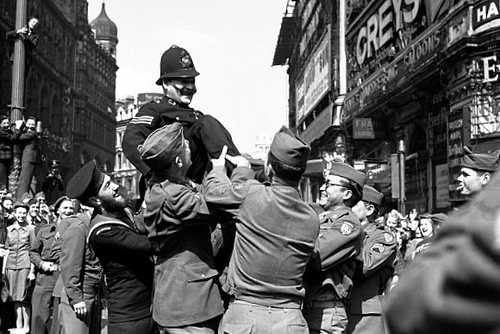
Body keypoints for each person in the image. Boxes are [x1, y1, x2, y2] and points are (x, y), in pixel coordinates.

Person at [203, 127, 320, 334]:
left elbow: (214, 193)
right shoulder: (312, 218)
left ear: (269, 168)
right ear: (301, 173)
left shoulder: (252, 195)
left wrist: (223, 168)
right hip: (290, 320)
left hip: (246, 316)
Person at [384, 165, 500, 334]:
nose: (459, 179)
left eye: (465, 174)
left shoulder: (482, 216)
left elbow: (405, 307)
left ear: (485, 179)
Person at [139, 123, 223, 333]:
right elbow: (217, 203)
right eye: (186, 145)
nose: (190, 148)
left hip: (177, 298)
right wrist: (218, 173)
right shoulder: (173, 194)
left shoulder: (166, 187)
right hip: (188, 306)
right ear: (177, 160)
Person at [122, 45, 240, 186]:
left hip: (194, 190)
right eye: (184, 81)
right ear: (166, 83)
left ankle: (240, 177)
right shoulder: (154, 110)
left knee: (208, 122)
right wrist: (155, 176)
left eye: (192, 81)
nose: (190, 88)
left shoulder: (199, 119)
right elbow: (130, 141)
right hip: (165, 192)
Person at [67, 161, 153, 334]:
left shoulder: (121, 211)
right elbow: (149, 245)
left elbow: (143, 222)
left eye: (111, 180)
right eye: (107, 185)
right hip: (129, 318)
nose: (115, 186)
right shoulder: (102, 231)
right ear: (95, 200)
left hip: (149, 307)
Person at [302, 162, 366, 334]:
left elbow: (317, 256)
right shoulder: (320, 217)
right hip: (308, 304)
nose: (323, 188)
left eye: (329, 184)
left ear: (346, 193)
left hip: (325, 309)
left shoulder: (348, 223)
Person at [348, 185, 396, 334]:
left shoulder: (383, 237)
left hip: (364, 316)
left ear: (369, 209)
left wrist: (342, 244)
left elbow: (365, 266)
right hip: (336, 310)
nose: (347, 207)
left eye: (354, 203)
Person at [56, 194, 101, 334]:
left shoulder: (92, 226)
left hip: (92, 292)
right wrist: (76, 298)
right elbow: (70, 265)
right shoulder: (78, 228)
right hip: (81, 293)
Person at [29, 196, 74, 334]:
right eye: (65, 208)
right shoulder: (45, 230)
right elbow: (33, 252)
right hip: (46, 277)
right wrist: (41, 264)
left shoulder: (77, 230)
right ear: (58, 211)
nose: (68, 211)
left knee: (60, 320)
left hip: (65, 277)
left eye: (71, 208)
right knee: (39, 316)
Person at [2, 201, 36, 333]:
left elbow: (33, 251)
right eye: (19, 213)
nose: (21, 215)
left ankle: (26, 326)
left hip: (24, 265)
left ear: (26, 214)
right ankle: (18, 325)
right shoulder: (9, 229)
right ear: (15, 214)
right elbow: (7, 250)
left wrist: (32, 271)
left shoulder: (31, 229)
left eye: (24, 213)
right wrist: (3, 270)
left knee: (24, 297)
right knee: (14, 297)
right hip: (10, 266)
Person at [14, 117, 40, 200]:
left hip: (28, 159)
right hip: (29, 159)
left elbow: (19, 137)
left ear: (35, 126)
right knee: (27, 180)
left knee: (24, 181)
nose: (30, 125)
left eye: (32, 124)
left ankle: (20, 199)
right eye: (29, 123)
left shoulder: (32, 133)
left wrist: (17, 128)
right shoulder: (30, 132)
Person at [0, 116, 13, 189]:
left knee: (6, 176)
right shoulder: (1, 132)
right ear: (0, 124)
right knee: (2, 176)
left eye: (8, 122)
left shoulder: (8, 131)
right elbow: (12, 137)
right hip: (2, 158)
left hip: (7, 158)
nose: (6, 124)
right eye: (4, 123)